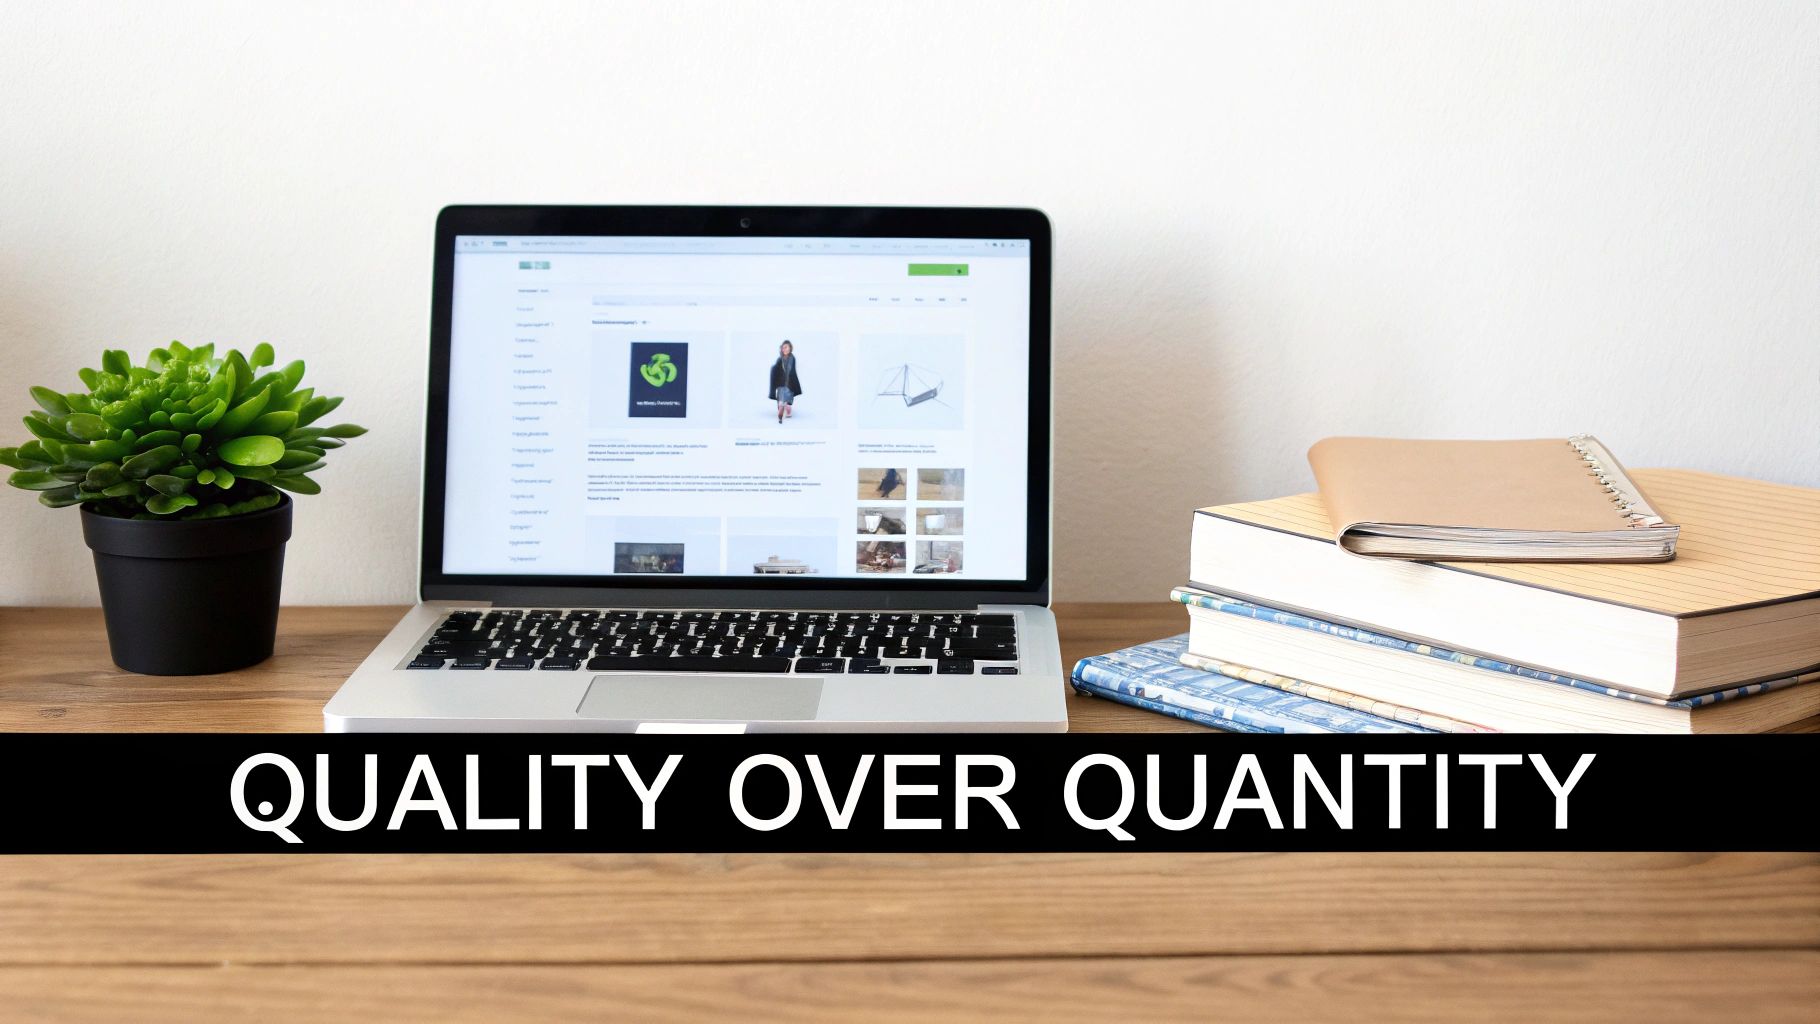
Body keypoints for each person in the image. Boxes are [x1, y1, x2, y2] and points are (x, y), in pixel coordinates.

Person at [769, 340, 802, 423]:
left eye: (786, 347)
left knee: (787, 403)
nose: (784, 349)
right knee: (780, 402)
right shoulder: (779, 359)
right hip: (781, 384)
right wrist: (774, 369)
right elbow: (776, 370)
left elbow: (792, 371)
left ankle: (787, 411)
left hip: (789, 384)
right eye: (783, 348)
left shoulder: (792, 358)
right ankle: (780, 414)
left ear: (790, 348)